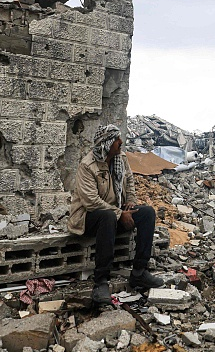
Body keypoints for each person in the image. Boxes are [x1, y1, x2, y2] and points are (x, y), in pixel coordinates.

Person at [67, 124, 164, 304]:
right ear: (107, 143)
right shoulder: (87, 165)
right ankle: (101, 281)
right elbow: (91, 202)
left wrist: (131, 203)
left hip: (115, 212)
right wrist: (120, 213)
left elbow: (129, 182)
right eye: (117, 139)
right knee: (107, 216)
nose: (121, 142)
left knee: (147, 213)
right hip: (88, 218)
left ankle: (139, 272)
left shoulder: (121, 158)